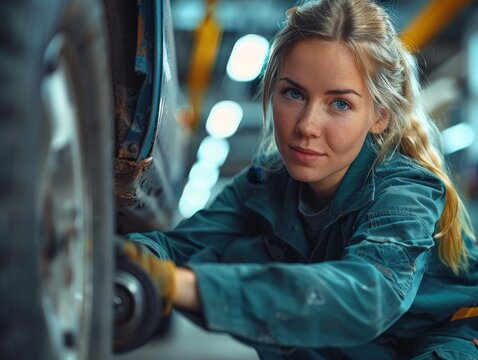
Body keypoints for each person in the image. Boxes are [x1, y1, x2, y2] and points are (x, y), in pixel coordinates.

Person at [124, 0, 478, 358]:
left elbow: (366, 295)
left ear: (379, 117)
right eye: (294, 93)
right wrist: (119, 259)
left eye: (340, 104)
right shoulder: (265, 182)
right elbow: (177, 247)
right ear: (271, 92)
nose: (307, 126)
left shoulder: (405, 194)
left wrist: (184, 285)